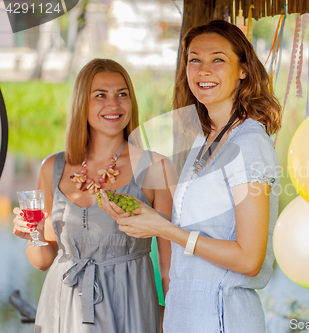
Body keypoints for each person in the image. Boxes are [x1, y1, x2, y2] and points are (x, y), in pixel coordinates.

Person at [101, 20, 282, 332]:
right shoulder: (204, 139)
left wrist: (165, 229)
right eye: (194, 59)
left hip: (223, 319)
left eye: (217, 60)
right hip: (186, 317)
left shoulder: (248, 144)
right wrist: (142, 215)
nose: (203, 70)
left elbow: (249, 260)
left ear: (243, 70)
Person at [12, 58, 176, 332]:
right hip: (63, 307)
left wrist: (173, 317)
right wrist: (34, 234)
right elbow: (43, 261)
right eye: (100, 95)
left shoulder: (156, 168)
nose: (113, 104)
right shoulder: (52, 168)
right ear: (81, 103)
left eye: (122, 94)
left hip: (130, 304)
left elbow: (169, 267)